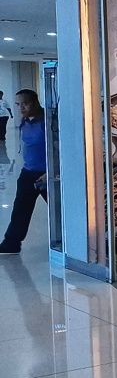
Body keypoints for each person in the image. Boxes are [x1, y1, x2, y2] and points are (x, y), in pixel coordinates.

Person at [0, 89, 48, 255]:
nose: (21, 108)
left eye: (25, 104)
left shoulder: (48, 122)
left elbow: (59, 149)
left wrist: (51, 173)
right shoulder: (25, 121)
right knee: (21, 208)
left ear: (35, 102)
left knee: (59, 211)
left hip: (47, 175)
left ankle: (72, 243)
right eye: (18, 104)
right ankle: (11, 243)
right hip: (28, 172)